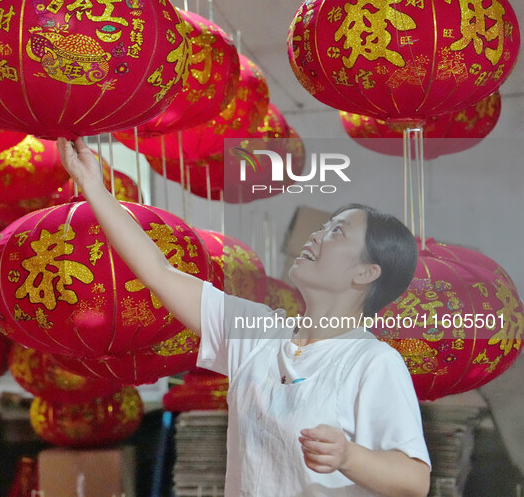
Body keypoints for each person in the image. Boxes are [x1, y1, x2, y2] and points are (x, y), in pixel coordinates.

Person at [57, 137, 431, 497]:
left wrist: (350, 456)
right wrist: (92, 186)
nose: (315, 236)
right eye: (321, 227)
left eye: (336, 232)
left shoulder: (372, 362)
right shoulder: (258, 334)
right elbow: (159, 272)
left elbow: (415, 480)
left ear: (366, 272)